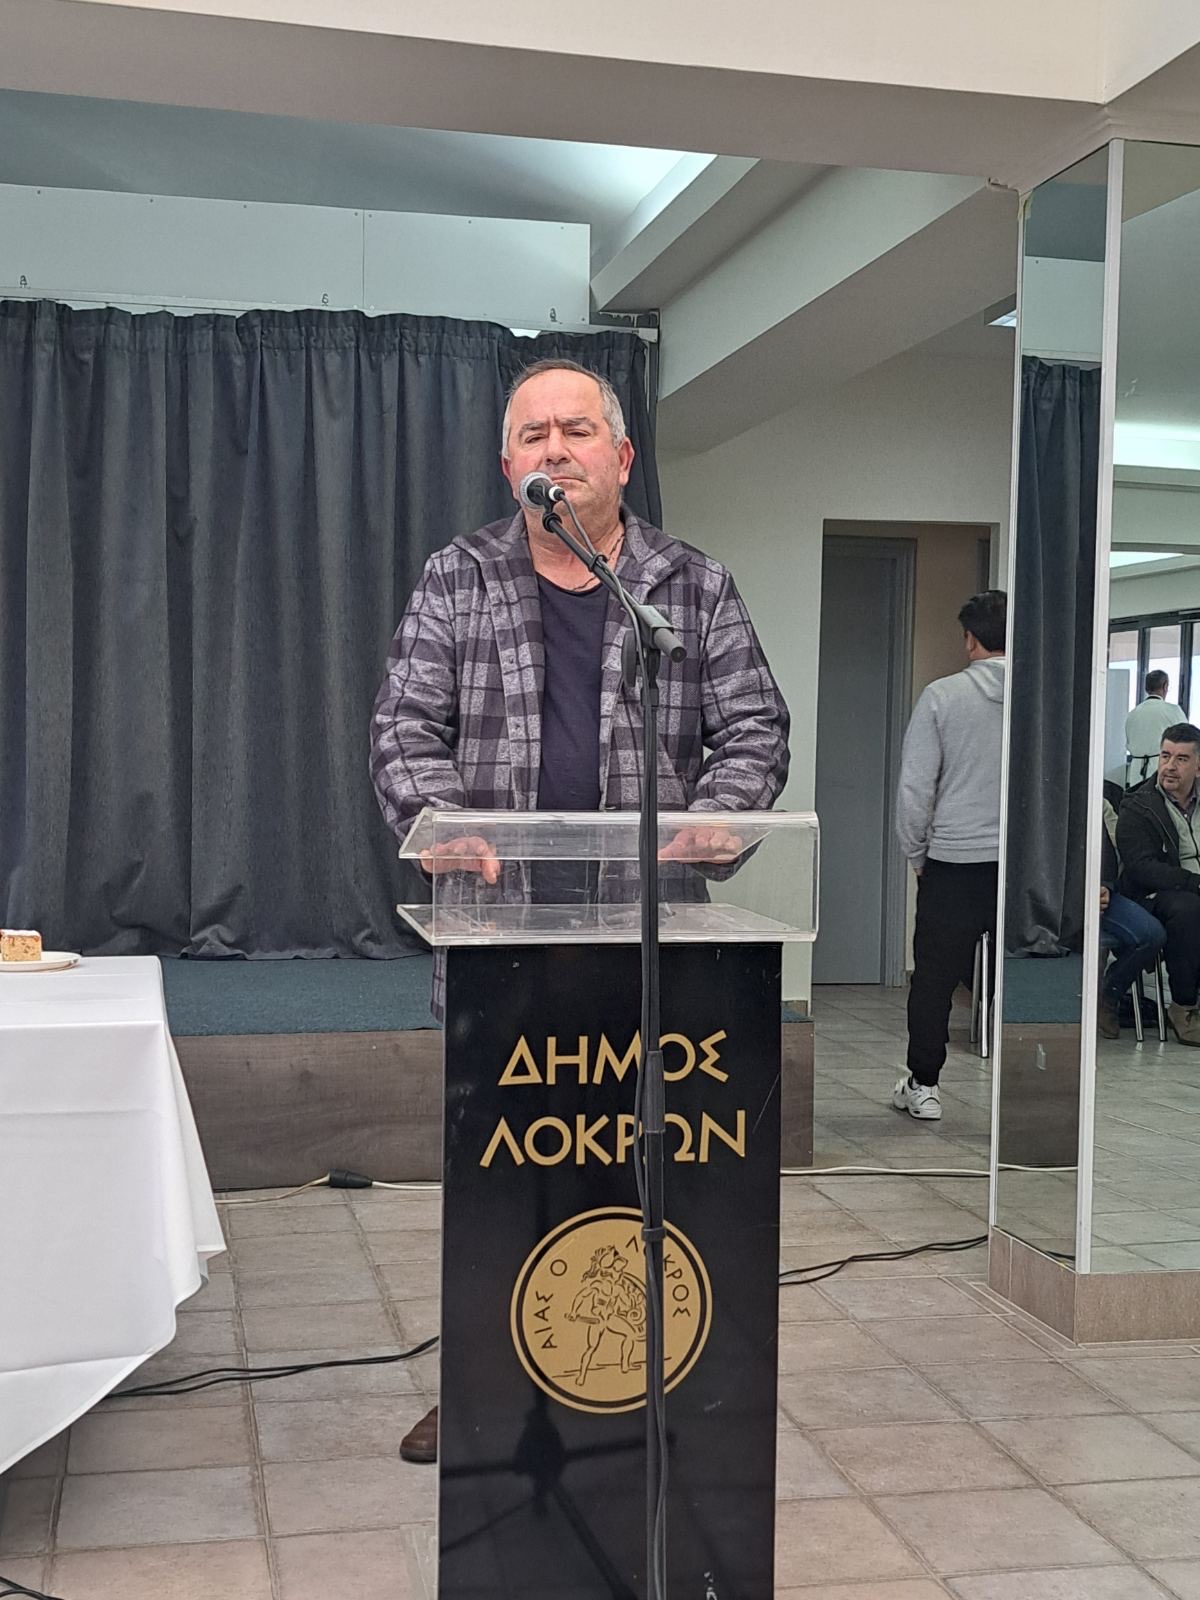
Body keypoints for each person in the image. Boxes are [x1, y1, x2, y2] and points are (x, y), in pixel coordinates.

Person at [370, 358, 790, 1461]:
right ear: (508, 462)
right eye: (533, 435)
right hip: (498, 934)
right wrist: (437, 819)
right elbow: (402, 728)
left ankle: (634, 1381)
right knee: (498, 1176)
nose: (554, 449)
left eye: (576, 430)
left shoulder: (690, 586)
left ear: (622, 455)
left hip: (646, 937)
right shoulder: (458, 575)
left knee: (635, 1166)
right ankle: (483, 1386)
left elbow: (755, 729)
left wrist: (722, 814)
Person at [892, 591, 1006, 1120]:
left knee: (934, 980)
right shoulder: (1040, 698)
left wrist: (917, 854)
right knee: (1017, 976)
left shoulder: (942, 696)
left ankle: (925, 1085)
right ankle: (1023, 1085)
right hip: (1020, 866)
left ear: (969, 639)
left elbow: (916, 786)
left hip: (953, 861)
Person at [1116, 723, 1200, 1046]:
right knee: (1188, 909)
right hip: (1154, 894)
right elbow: (1142, 868)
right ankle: (1183, 1007)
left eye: (1181, 759)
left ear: (1198, 766)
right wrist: (1193, 883)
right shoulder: (1138, 804)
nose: (1169, 766)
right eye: (1165, 756)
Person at [1098, 796, 1166, 1039]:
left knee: (1151, 934)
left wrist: (1104, 885)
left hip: (1099, 891)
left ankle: (1108, 996)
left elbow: (1119, 848)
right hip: (1049, 895)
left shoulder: (1098, 801)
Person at [1126, 671, 1186, 787]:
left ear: (1146, 688)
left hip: (1136, 772)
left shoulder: (1132, 714)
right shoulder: (1173, 711)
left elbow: (1128, 742)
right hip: (1161, 768)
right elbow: (1186, 741)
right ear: (1165, 686)